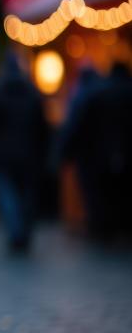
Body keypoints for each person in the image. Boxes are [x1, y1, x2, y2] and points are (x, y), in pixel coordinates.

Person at [0, 57, 49, 252]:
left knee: (8, 195)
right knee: (26, 194)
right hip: (29, 154)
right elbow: (42, 127)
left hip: (4, 155)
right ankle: (25, 231)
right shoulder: (32, 93)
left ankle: (16, 232)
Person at [63, 62, 132, 239]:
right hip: (122, 151)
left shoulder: (96, 94)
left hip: (96, 154)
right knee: (120, 192)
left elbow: (78, 125)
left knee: (101, 193)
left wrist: (65, 150)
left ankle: (103, 228)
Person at [56, 68, 102, 233]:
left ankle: (97, 224)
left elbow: (73, 127)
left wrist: (63, 151)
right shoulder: (98, 93)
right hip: (103, 152)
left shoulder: (82, 97)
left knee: (91, 190)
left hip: (87, 153)